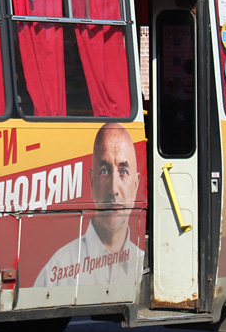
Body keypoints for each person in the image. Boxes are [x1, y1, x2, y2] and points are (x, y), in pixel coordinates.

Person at [35, 122, 144, 287]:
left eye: (123, 171)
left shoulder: (142, 266)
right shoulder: (57, 269)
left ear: (136, 184)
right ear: (92, 182)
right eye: (105, 171)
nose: (114, 189)